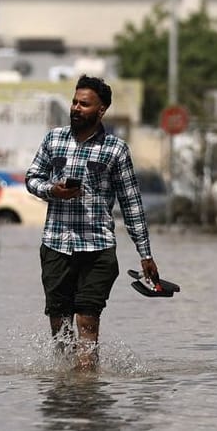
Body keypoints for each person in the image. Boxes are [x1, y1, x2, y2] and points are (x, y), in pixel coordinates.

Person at [25, 74, 160, 371]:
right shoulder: (53, 139)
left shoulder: (116, 150)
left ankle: (86, 393)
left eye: (84, 104)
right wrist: (53, 190)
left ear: (101, 110)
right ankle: (63, 390)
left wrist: (145, 253)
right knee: (60, 327)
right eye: (74, 102)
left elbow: (131, 204)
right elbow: (32, 179)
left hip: (97, 249)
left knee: (88, 321)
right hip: (56, 245)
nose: (75, 108)